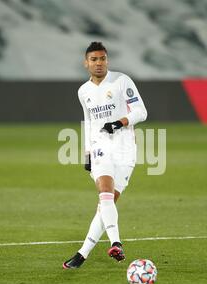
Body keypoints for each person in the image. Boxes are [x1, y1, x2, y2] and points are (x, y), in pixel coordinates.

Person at [63, 42, 147, 269]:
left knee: (106, 205)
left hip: (125, 149)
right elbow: (88, 122)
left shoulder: (121, 81)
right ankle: (116, 243)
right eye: (94, 60)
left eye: (102, 59)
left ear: (107, 60)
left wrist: (119, 123)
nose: (99, 63)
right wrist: (87, 152)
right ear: (86, 63)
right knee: (105, 193)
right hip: (101, 148)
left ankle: (82, 254)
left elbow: (141, 111)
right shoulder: (83, 91)